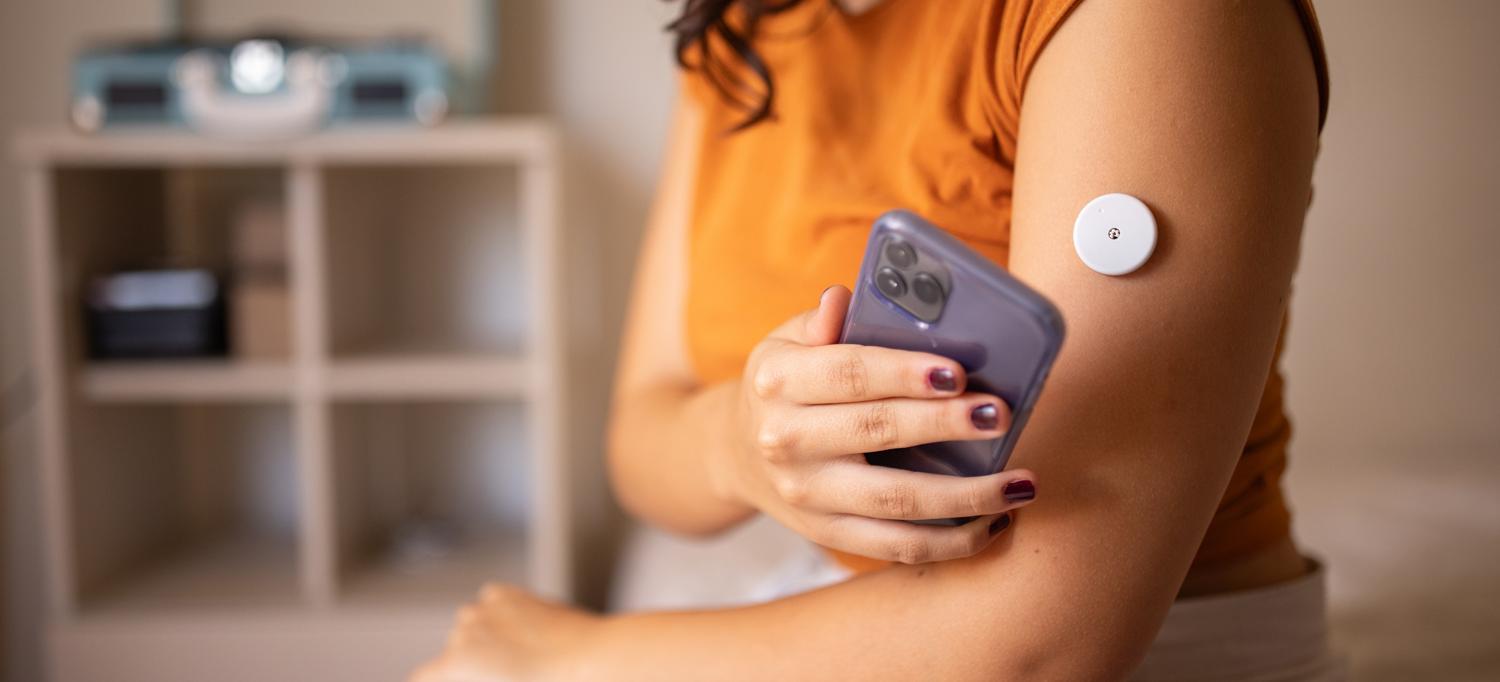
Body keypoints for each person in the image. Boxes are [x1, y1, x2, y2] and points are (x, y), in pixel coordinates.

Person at [413, 0, 1338, 679]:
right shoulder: (740, 36)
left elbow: (1049, 643)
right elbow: (641, 436)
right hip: (849, 615)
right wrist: (741, 443)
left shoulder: (1158, 22)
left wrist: (573, 661)